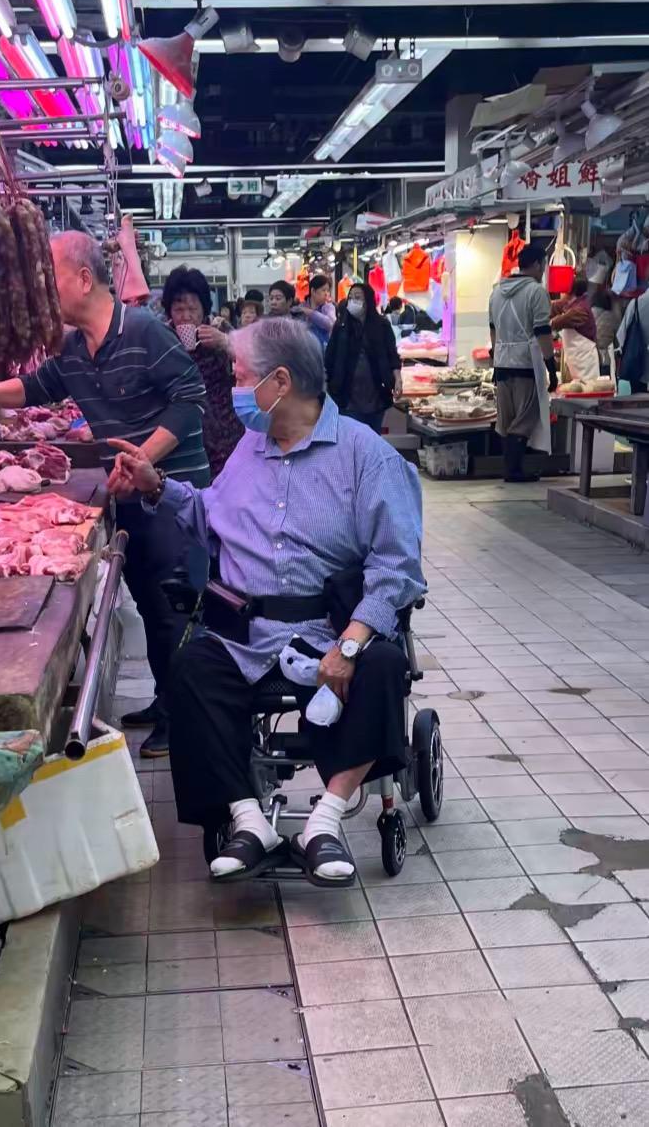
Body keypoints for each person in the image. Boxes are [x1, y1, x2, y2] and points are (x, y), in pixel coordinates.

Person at [109, 316, 424, 885]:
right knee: (190, 668)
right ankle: (249, 820)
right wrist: (156, 485)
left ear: (279, 382)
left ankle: (324, 823)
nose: (232, 387)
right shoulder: (250, 449)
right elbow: (212, 514)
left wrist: (350, 646)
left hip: (332, 631)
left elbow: (397, 566)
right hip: (249, 638)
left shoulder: (366, 456)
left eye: (240, 375)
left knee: (382, 665)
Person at [0, 232, 209, 759]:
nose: (43, 288)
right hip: (130, 497)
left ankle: (187, 720)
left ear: (84, 279)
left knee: (174, 614)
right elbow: (37, 386)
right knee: (152, 606)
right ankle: (168, 703)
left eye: (51, 276)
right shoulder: (73, 348)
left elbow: (190, 400)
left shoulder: (144, 330)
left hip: (173, 498)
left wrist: (142, 461)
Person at [163, 265, 244, 479]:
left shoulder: (221, 330)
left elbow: (256, 363)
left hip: (228, 436)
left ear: (204, 308)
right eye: (179, 310)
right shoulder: (163, 339)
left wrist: (224, 343)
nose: (186, 316)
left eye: (193, 309)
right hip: (185, 442)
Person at [489, 243, 557, 483]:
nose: (543, 271)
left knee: (506, 419)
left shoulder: (497, 292)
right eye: (544, 265)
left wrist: (495, 363)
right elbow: (542, 331)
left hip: (502, 363)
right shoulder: (536, 292)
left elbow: (493, 331)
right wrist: (551, 367)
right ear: (537, 264)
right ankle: (514, 470)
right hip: (526, 364)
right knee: (526, 416)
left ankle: (509, 469)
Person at [325, 283, 402, 433]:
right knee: (352, 438)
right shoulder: (341, 326)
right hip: (347, 395)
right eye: (350, 297)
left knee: (373, 437)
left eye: (358, 297)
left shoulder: (382, 325)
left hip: (377, 394)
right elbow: (330, 358)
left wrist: (397, 379)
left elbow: (392, 356)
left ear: (368, 300)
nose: (353, 301)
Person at [551, 277, 598, 384]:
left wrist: (543, 324)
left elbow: (558, 322)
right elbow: (556, 306)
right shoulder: (573, 302)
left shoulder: (580, 309)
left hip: (585, 362)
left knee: (588, 390)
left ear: (570, 292)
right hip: (576, 360)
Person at [295, 273, 336, 347]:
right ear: (313, 291)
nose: (326, 294)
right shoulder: (301, 307)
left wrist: (310, 313)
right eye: (323, 290)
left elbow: (331, 324)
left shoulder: (328, 307)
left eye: (328, 291)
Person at [592, 287, 623, 374]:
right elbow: (618, 336)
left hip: (590, 357)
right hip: (605, 358)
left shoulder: (589, 313)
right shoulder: (612, 317)